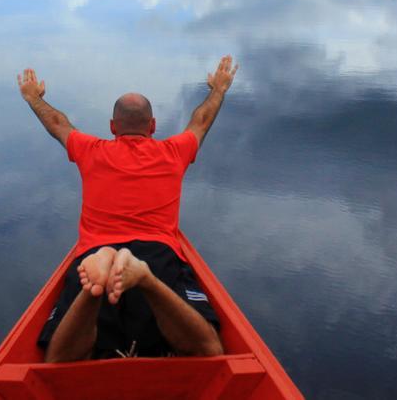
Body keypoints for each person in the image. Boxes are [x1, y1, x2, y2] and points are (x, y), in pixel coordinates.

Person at [16, 56, 239, 362]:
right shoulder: (173, 151)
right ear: (153, 126)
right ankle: (145, 279)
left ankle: (92, 291)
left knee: (56, 360)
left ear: (112, 127)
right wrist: (218, 90)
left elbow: (58, 124)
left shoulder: (91, 150)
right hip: (159, 254)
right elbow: (200, 121)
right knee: (209, 349)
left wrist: (33, 98)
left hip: (94, 254)